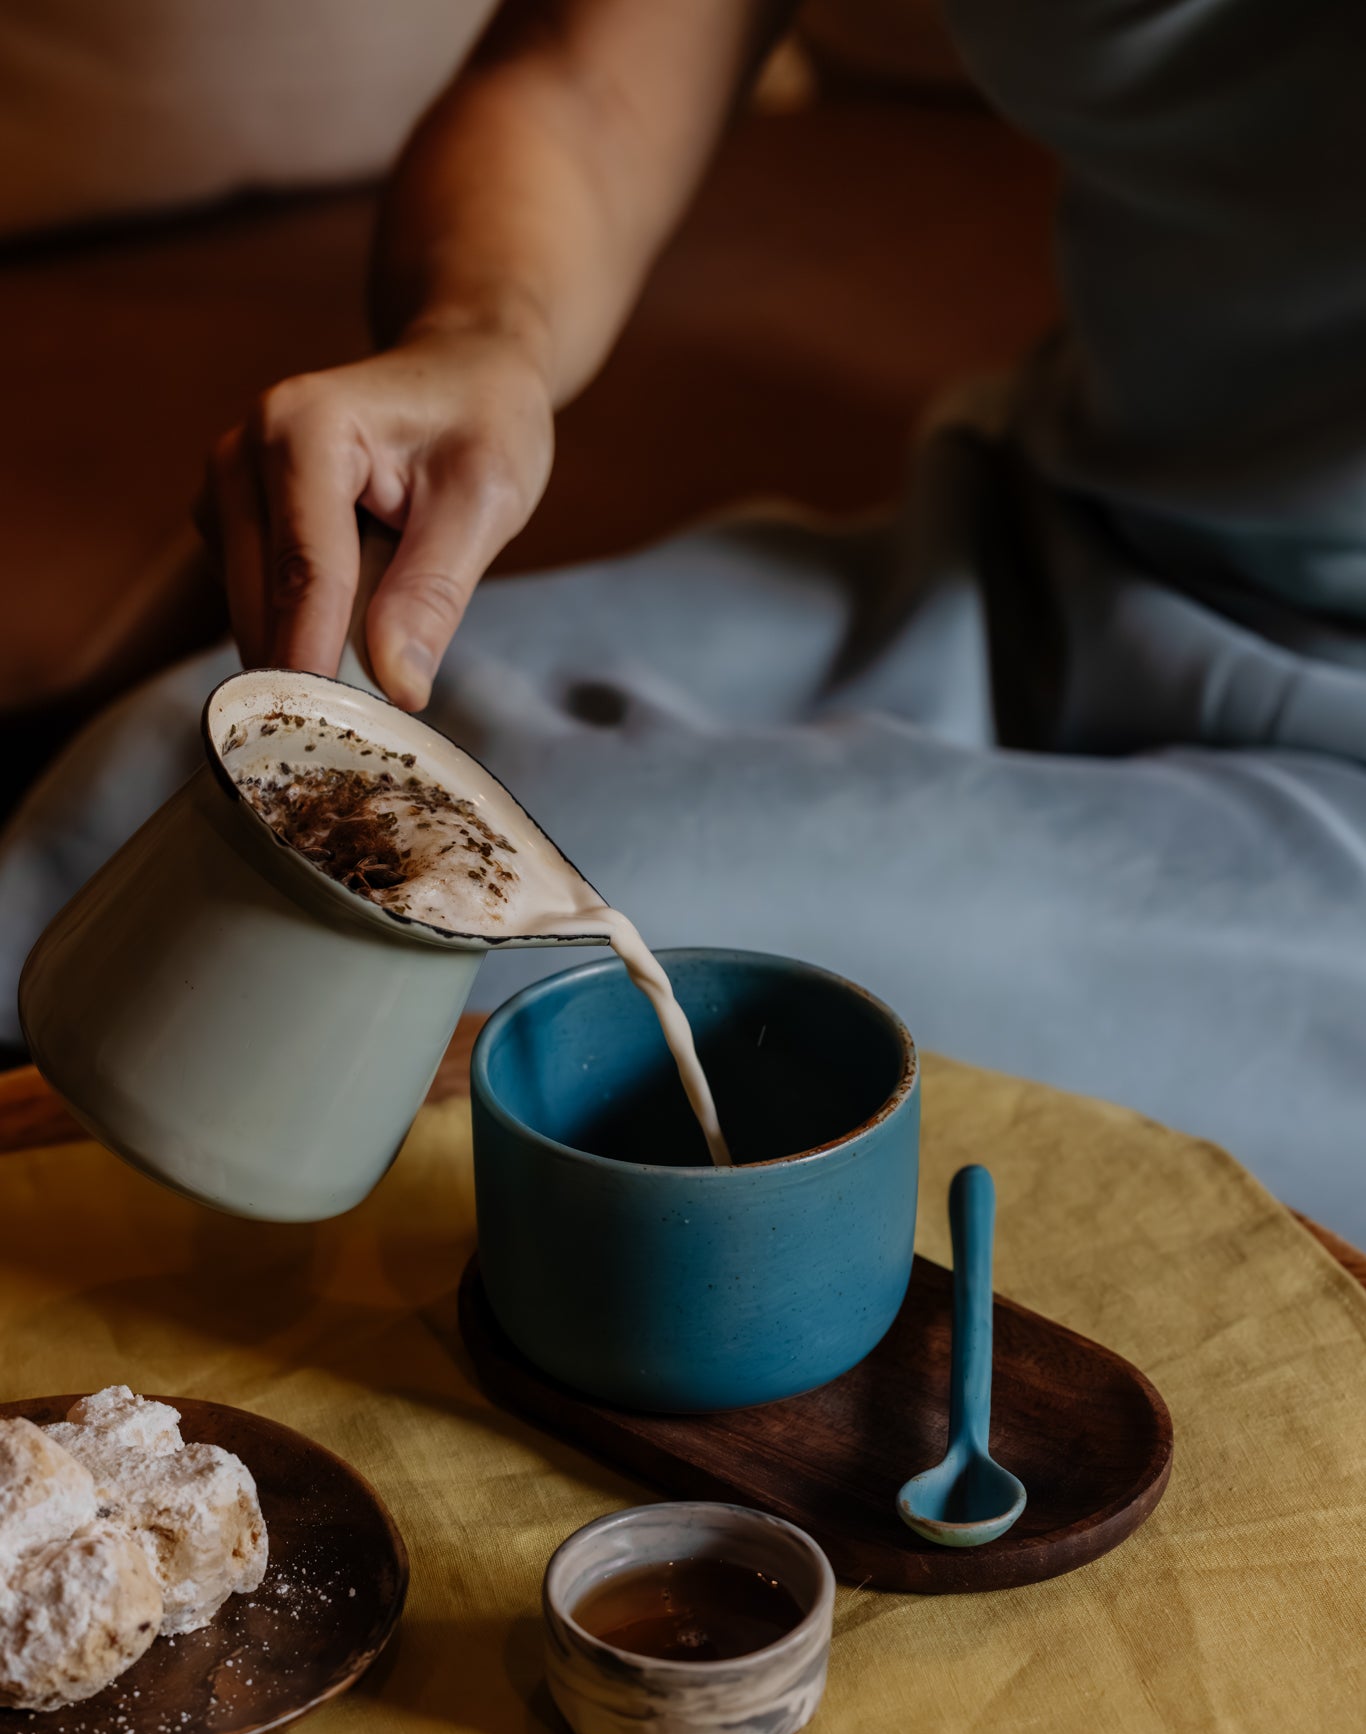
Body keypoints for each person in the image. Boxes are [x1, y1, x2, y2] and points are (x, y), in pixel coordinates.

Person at [4, 0, 1366, 1236]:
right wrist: (483, 333)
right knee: (158, 778)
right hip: (1046, 543)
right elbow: (584, 77)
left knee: (570, 1006)